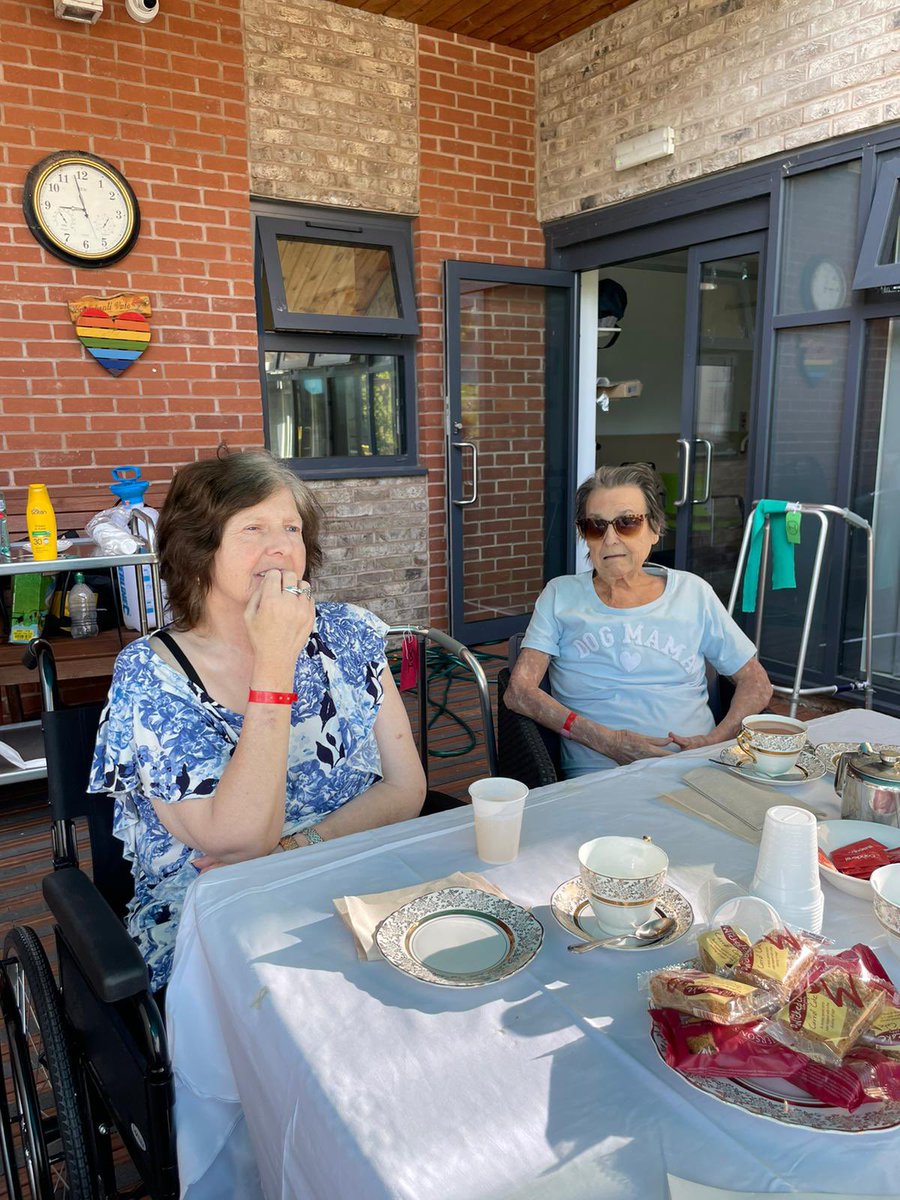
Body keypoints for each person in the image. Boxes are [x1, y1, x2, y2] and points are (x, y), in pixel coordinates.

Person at [90, 449, 426, 992]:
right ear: (199, 551)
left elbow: (406, 788)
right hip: (220, 913)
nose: (280, 548)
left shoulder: (348, 632)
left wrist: (296, 849)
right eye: (253, 528)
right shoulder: (152, 675)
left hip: (350, 874)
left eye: (291, 528)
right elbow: (238, 844)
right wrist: (274, 662)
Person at [505, 463, 772, 778]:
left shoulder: (692, 592)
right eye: (596, 526)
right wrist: (608, 742)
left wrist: (715, 740)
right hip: (601, 775)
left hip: (700, 768)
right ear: (584, 536)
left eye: (627, 522)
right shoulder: (560, 596)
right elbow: (518, 692)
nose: (610, 538)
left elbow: (756, 682)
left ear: (656, 529)